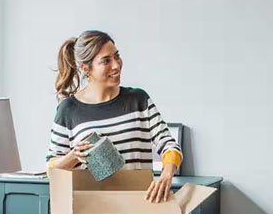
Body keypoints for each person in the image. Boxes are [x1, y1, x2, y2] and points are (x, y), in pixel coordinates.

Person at [46, 30, 183, 203]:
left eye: (117, 56)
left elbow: (169, 144)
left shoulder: (138, 100)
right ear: (86, 69)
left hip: (141, 204)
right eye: (106, 61)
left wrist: (166, 174)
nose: (116, 65)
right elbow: (51, 169)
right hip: (92, 210)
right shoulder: (68, 110)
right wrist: (74, 156)